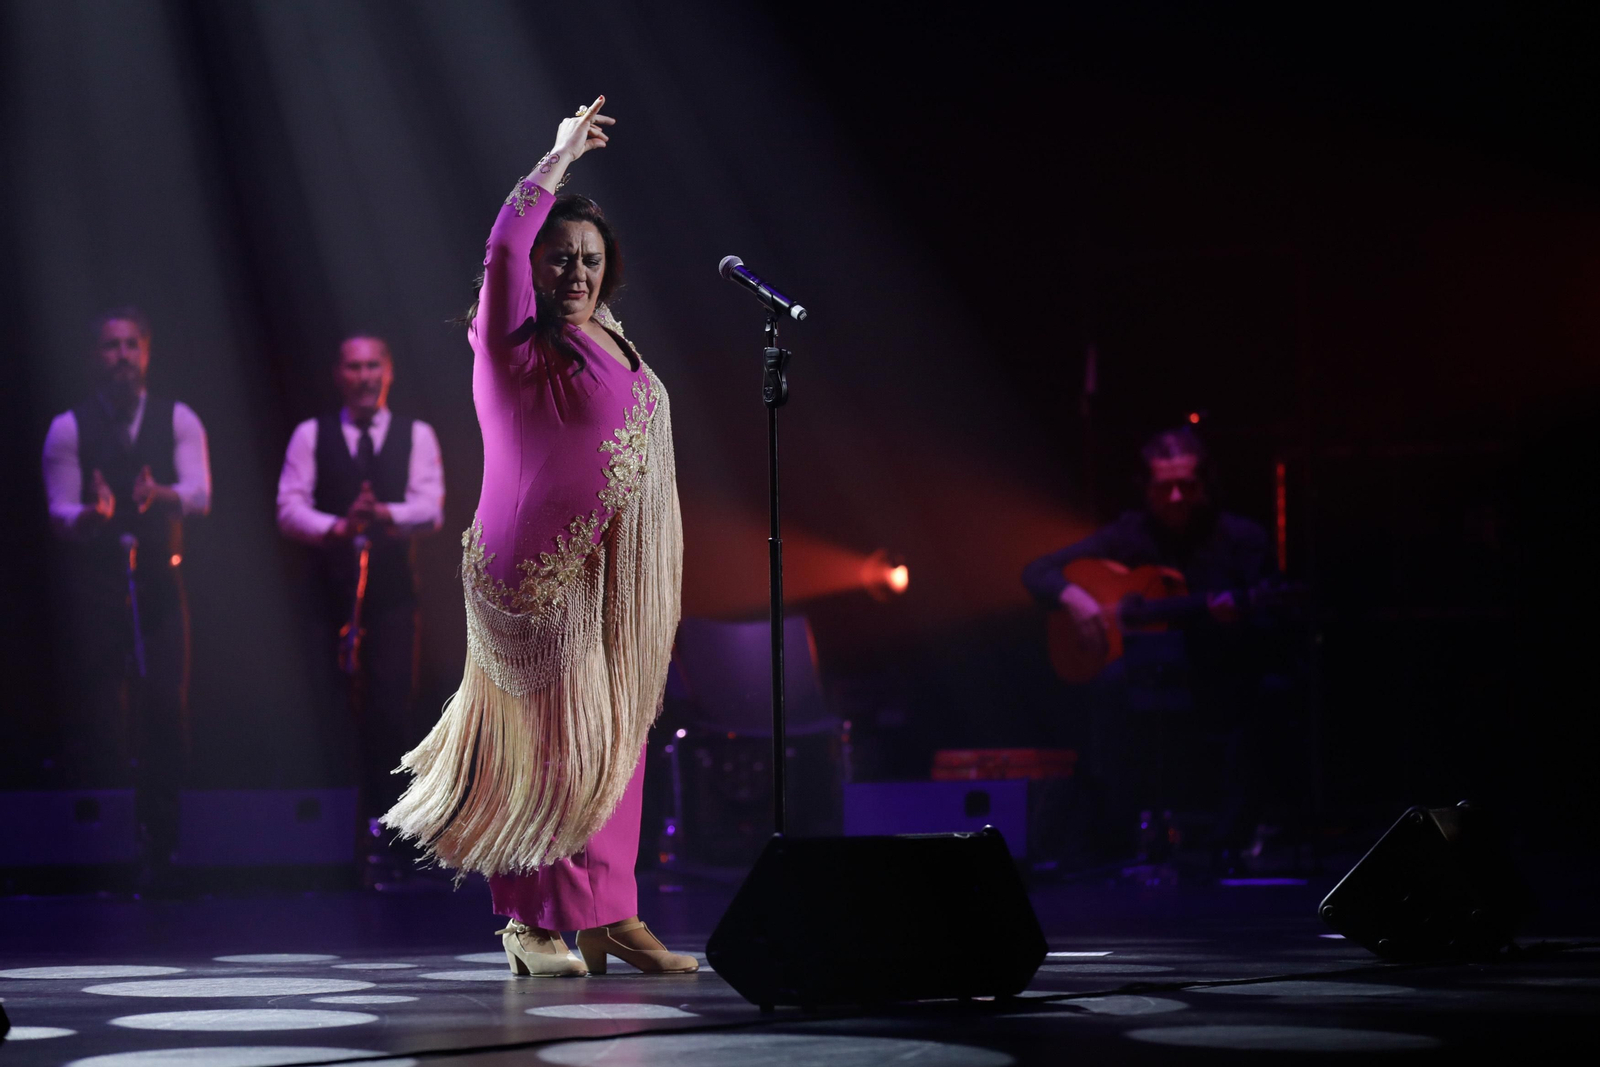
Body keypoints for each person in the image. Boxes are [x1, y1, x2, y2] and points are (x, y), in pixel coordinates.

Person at [384, 96, 694, 977]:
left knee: (617, 736)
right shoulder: (512, 342)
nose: (577, 272)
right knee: (556, 747)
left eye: (592, 259)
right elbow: (501, 248)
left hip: (602, 574)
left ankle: (607, 912)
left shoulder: (610, 341)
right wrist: (555, 162)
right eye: (560, 257)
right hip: (531, 572)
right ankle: (531, 923)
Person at [1022, 427, 1283, 859]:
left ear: (1205, 486)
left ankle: (1227, 844)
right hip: (1148, 673)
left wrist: (1235, 618)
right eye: (1165, 488)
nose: (1177, 498)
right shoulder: (1130, 535)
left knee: (1260, 699)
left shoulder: (1241, 539)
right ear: (1147, 489)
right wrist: (1074, 597)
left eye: (1188, 486)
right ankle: (1114, 837)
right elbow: (1037, 571)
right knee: (1104, 688)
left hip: (1220, 665)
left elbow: (1269, 622)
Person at [41, 307, 211, 881]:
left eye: (132, 346)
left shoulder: (177, 418)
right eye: (112, 347)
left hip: (161, 583)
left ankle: (165, 845)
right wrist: (93, 514)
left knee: (165, 706)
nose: (123, 357)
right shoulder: (69, 426)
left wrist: (159, 494)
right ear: (96, 356)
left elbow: (199, 493)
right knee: (108, 714)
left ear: (147, 353)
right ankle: (107, 849)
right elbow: (60, 512)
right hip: (98, 587)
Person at [276, 336, 444, 872]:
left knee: (392, 709)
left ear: (388, 371)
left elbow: (430, 506)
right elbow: (289, 507)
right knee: (331, 711)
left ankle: (393, 835)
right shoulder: (311, 435)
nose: (365, 375)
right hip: (327, 596)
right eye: (354, 366)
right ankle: (334, 839)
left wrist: (384, 516)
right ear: (339, 374)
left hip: (393, 596)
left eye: (374, 365)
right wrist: (340, 526)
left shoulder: (415, 434)